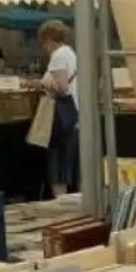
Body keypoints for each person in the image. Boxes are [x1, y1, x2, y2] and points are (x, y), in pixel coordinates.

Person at [25, 20, 79, 197]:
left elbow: (61, 88)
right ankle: (65, 200)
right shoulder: (70, 53)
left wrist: (40, 83)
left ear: (49, 39)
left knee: (57, 163)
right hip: (71, 114)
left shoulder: (58, 56)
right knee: (65, 161)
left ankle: (61, 202)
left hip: (58, 114)